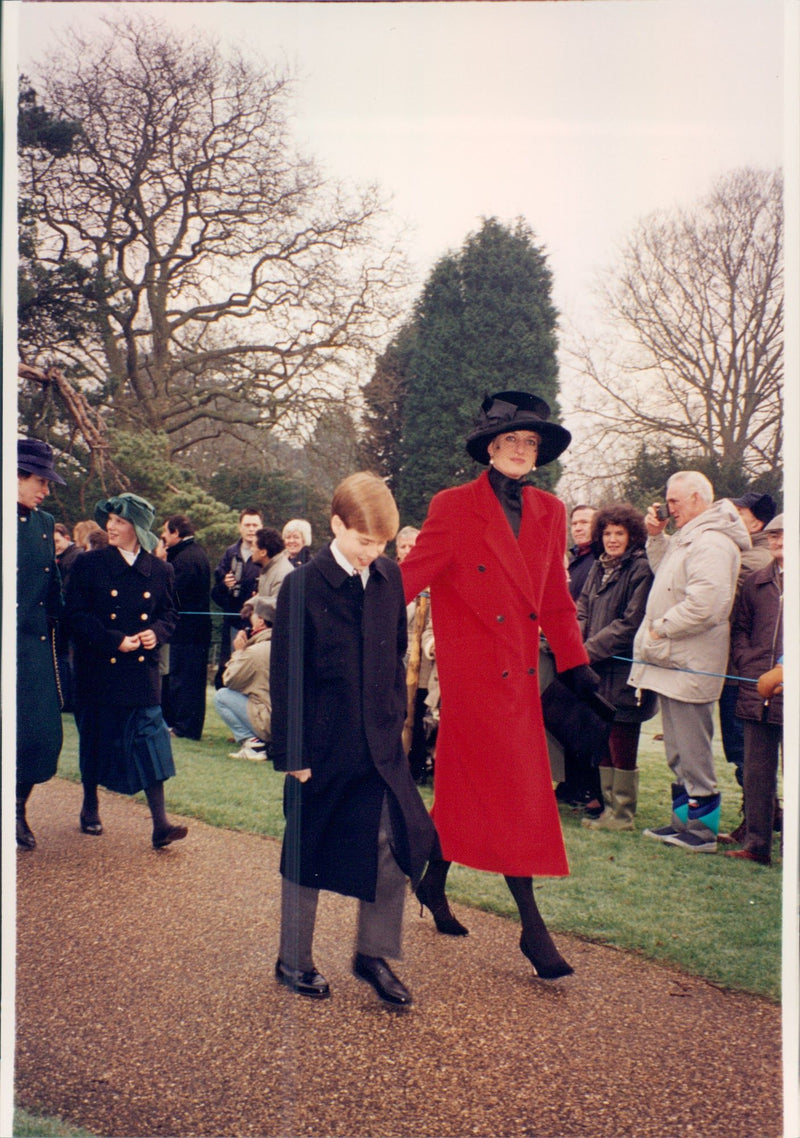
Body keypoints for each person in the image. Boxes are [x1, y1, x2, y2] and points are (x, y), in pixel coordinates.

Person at [400, 391, 595, 979]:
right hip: (474, 685)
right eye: (512, 440)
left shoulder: (551, 512)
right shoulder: (453, 506)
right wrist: (346, 604)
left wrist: (578, 667)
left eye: (531, 443)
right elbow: (411, 577)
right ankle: (533, 932)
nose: (521, 450)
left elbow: (557, 601)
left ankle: (433, 885)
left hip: (522, 684)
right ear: (491, 447)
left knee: (468, 795)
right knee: (517, 799)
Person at [270, 472, 435, 1004]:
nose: (373, 552)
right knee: (306, 850)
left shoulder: (389, 577)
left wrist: (397, 728)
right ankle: (293, 959)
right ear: (336, 525)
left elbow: (395, 660)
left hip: (379, 746)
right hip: (320, 748)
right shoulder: (301, 586)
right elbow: (287, 676)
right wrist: (294, 753)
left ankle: (373, 954)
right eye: (364, 541)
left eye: (382, 543)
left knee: (396, 842)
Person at [630, 472, 750, 853]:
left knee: (693, 750)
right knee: (678, 749)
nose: (669, 508)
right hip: (672, 660)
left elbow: (708, 606)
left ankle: (701, 833)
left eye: (675, 501)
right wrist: (655, 535)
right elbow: (665, 573)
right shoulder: (690, 537)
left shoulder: (713, 542)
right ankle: (683, 823)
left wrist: (660, 629)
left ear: (698, 499)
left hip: (688, 661)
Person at [65, 493, 187, 849]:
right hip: (98, 667)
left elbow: (171, 615)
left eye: (119, 521)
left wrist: (157, 633)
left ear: (137, 528)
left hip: (141, 672)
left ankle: (160, 823)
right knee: (94, 737)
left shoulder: (161, 570)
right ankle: (90, 806)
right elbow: (76, 616)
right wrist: (113, 640)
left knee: (152, 739)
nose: (110, 526)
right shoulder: (90, 565)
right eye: (110, 520)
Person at [576, 503, 657, 831]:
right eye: (607, 533)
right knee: (603, 736)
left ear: (631, 535)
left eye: (618, 533)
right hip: (597, 668)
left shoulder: (641, 568)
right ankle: (609, 809)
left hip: (624, 670)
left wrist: (588, 650)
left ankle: (623, 814)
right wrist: (577, 644)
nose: (611, 539)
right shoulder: (598, 566)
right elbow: (582, 607)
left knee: (623, 739)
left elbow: (631, 622)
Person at [16, 439, 67, 849]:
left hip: (33, 646)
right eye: (39, 480)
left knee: (41, 734)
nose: (46, 490)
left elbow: (53, 588)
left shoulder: (45, 523)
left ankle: (17, 806)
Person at [725, 514, 783, 866]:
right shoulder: (757, 582)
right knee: (756, 771)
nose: (777, 541)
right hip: (755, 690)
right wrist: (748, 663)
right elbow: (740, 628)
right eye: (774, 535)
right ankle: (756, 844)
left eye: (785, 535)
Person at [717, 492, 776, 824]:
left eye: (738, 513)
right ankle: (762, 817)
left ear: (757, 522)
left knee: (744, 751)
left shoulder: (754, 558)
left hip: (742, 673)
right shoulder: (747, 553)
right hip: (738, 669)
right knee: (741, 749)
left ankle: (762, 818)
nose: (731, 518)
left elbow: (723, 592)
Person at [160, 515, 212, 740]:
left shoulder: (187, 558)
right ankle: (178, 724)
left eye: (165, 532)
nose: (162, 537)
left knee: (186, 679)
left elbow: (173, 593)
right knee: (181, 677)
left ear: (176, 533)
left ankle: (185, 728)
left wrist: (160, 562)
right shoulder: (188, 554)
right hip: (188, 630)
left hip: (190, 631)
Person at [396, 525, 435, 784]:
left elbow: (432, 626)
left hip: (419, 663)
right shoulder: (387, 577)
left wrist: (430, 646)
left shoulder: (431, 581)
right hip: (392, 660)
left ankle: (416, 765)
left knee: (417, 715)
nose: (409, 551)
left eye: (414, 546)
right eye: (404, 546)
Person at [214, 595, 274, 760]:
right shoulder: (285, 644)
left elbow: (230, 680)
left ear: (260, 621)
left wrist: (240, 652)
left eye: (253, 615)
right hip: (289, 721)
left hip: (269, 720)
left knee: (222, 696)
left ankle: (254, 744)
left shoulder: (256, 651)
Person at [211, 508, 263, 680]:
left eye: (255, 525)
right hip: (233, 625)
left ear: (261, 527)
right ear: (240, 527)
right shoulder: (229, 554)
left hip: (260, 627)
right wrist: (225, 586)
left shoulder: (268, 554)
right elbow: (216, 595)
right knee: (232, 673)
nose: (251, 529)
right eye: (247, 525)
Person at [54, 522, 81, 712]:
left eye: (57, 541)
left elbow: (67, 589)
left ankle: (68, 699)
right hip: (67, 617)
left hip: (70, 618)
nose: (55, 545)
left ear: (67, 538)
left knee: (66, 658)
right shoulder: (64, 557)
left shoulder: (72, 558)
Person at [252, 527, 295, 599]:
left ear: (263, 552)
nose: (251, 550)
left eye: (253, 546)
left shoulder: (283, 573)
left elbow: (278, 604)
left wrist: (255, 603)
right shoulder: (268, 568)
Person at [567, 504, 598, 601]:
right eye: (574, 524)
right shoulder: (569, 562)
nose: (578, 528)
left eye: (584, 522)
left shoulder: (603, 559)